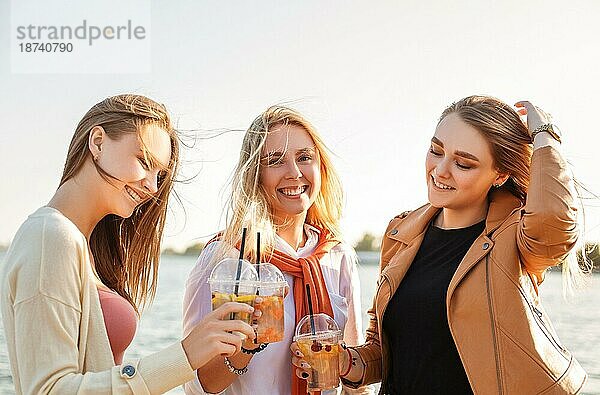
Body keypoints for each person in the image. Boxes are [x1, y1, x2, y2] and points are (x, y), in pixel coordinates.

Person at [292, 96, 588, 394]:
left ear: (500, 175)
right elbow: (385, 349)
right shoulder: (400, 233)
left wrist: (546, 135)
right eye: (436, 151)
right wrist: (346, 360)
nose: (441, 170)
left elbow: (554, 221)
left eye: (463, 163)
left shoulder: (516, 236)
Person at [0, 94, 257, 394]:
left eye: (159, 175)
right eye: (144, 162)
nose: (152, 185)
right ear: (97, 142)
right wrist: (184, 355)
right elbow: (49, 389)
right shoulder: (50, 235)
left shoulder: (83, 247)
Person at [183, 105, 371, 395]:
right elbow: (197, 386)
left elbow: (354, 379)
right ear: (255, 175)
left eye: (304, 158)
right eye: (275, 161)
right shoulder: (226, 258)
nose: (294, 173)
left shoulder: (336, 255)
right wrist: (247, 343)